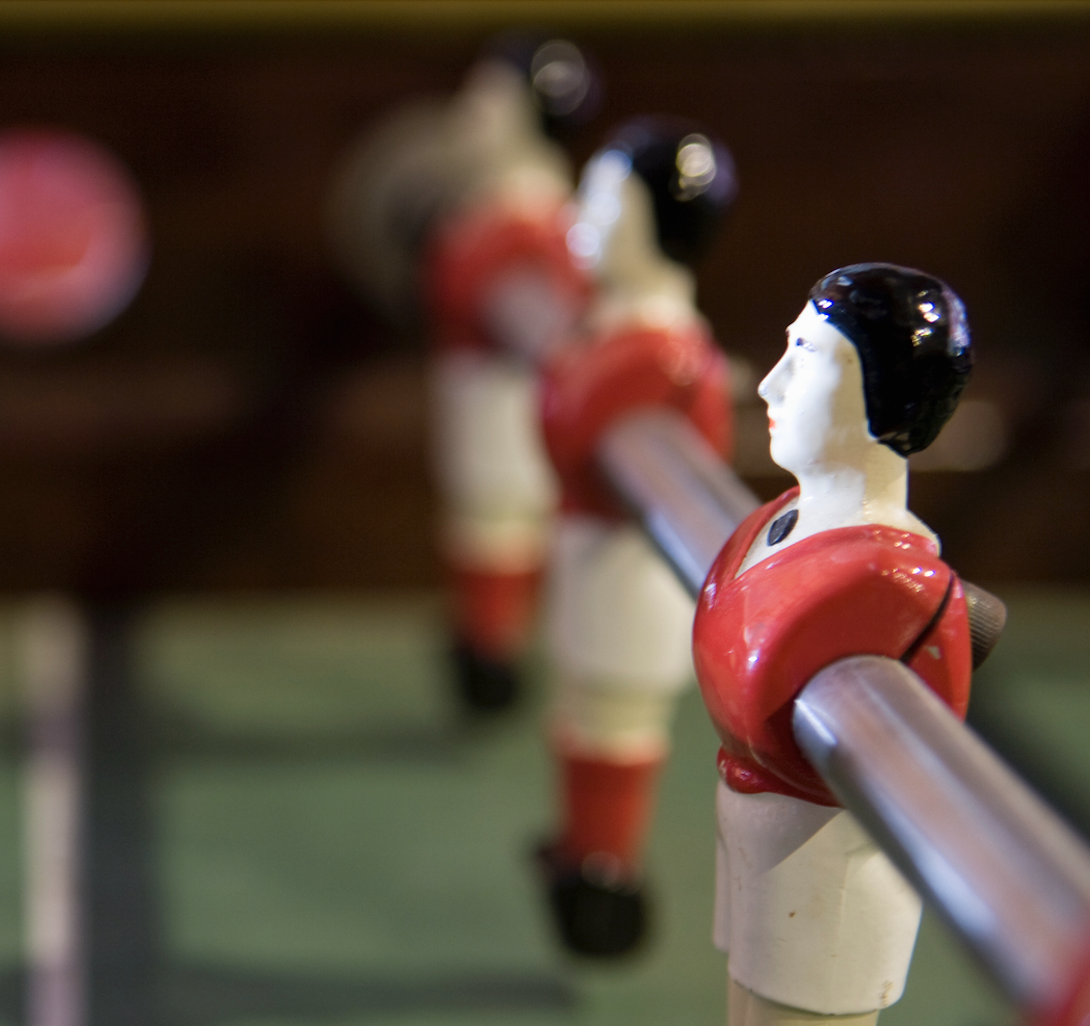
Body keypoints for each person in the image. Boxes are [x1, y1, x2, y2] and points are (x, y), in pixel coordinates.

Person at [695, 264, 974, 1024]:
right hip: (758, 825)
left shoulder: (897, 592)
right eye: (788, 349)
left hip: (830, 868)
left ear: (887, 394)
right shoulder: (782, 518)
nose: (771, 384)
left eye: (809, 359)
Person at [533, 117, 737, 956]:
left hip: (631, 578)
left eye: (604, 200)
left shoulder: (660, 354)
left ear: (656, 226)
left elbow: (570, 421)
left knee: (615, 712)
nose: (579, 213)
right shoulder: (613, 329)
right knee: (583, 705)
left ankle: (607, 869)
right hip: (592, 556)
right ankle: (580, 847)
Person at [416, 37, 599, 711]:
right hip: (472, 391)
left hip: (505, 402)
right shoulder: (490, 207)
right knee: (477, 519)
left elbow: (538, 314)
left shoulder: (533, 222)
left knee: (499, 520)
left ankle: (493, 653)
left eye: (489, 99)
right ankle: (480, 639)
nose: (472, 113)